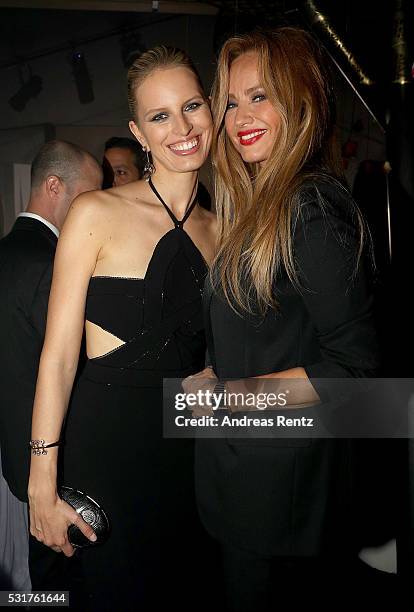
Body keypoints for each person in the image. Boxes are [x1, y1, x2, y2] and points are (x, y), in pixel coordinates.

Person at [188, 28, 379, 610]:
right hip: (247, 490)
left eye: (261, 95)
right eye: (231, 100)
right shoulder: (256, 208)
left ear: (298, 101)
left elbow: (358, 376)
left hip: (283, 511)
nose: (241, 115)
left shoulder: (310, 207)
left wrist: (230, 401)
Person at [27, 47, 216, 610]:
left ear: (211, 110)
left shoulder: (227, 229)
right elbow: (58, 357)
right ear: (138, 131)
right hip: (106, 453)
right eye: (160, 116)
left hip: (191, 457)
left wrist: (219, 375)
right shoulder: (94, 213)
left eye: (191, 106)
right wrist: (42, 482)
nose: (181, 128)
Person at [0, 140, 102, 593]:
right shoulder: (54, 265)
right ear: (55, 186)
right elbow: (73, 369)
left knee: (38, 576)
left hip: (14, 455)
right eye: (88, 195)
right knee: (60, 578)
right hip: (56, 464)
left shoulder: (4, 252)